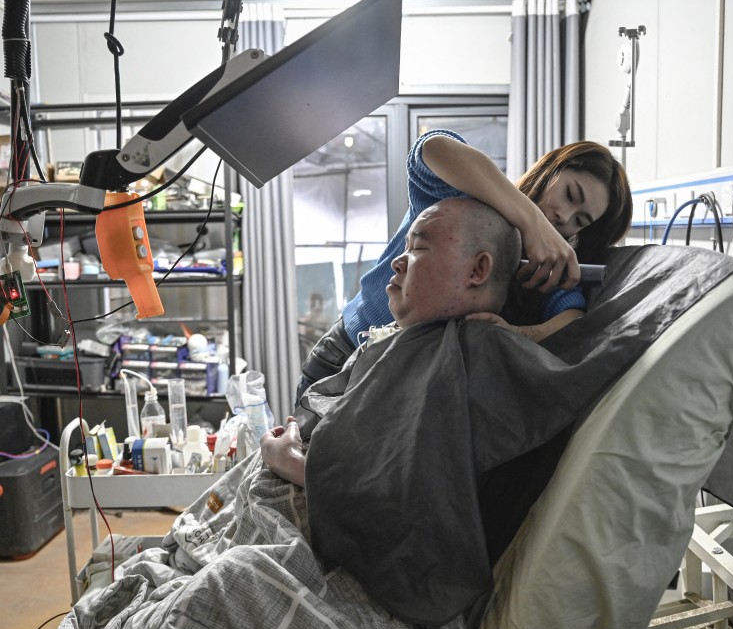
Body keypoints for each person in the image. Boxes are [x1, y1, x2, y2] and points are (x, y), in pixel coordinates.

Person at [295, 128, 632, 405]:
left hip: (394, 385)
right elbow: (433, 147)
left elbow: (571, 321)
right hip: (346, 352)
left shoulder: (540, 269)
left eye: (580, 221)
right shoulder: (466, 195)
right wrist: (531, 221)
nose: (564, 218)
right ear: (549, 171)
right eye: (570, 195)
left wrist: (515, 334)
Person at [268, 195, 522, 487]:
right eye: (405, 248)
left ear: (477, 270)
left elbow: (400, 500)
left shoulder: (463, 368)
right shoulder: (408, 344)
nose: (397, 262)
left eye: (419, 248)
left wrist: (290, 463)